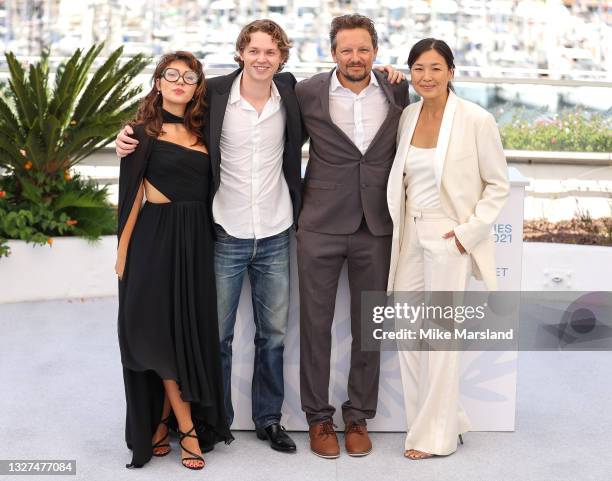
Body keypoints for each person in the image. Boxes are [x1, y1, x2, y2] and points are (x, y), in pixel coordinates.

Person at [116, 19, 404, 454]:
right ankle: (215, 421)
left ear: (282, 57)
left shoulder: (293, 93)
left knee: (273, 335)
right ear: (240, 53)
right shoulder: (212, 94)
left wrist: (395, 74)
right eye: (254, 50)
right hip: (225, 229)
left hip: (276, 229)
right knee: (217, 336)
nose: (262, 58)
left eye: (271, 52)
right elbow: (166, 104)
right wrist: (126, 135)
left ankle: (269, 419)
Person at [386, 38, 510, 459]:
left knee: (440, 337)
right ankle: (445, 418)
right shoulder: (407, 115)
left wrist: (466, 234)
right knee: (406, 332)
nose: (427, 76)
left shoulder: (476, 119)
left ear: (451, 72)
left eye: (436, 68)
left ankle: (433, 435)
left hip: (448, 237)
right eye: (419, 68)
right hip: (409, 236)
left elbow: (497, 184)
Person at [295, 14, 409, 459]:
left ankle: (358, 414)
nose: (355, 57)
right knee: (315, 327)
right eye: (347, 49)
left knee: (369, 327)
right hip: (320, 223)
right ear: (333, 53)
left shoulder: (396, 89)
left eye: (363, 49)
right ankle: (318, 418)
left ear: (375, 51)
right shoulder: (306, 92)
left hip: (377, 225)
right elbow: (278, 146)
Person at [116, 51, 232, 470]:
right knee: (157, 336)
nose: (180, 82)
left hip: (196, 242)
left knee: (187, 334)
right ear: (159, 82)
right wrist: (122, 258)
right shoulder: (139, 132)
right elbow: (130, 199)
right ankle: (188, 429)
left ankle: (162, 422)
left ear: (198, 85)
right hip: (153, 240)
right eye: (172, 75)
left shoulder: (206, 131)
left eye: (189, 76)